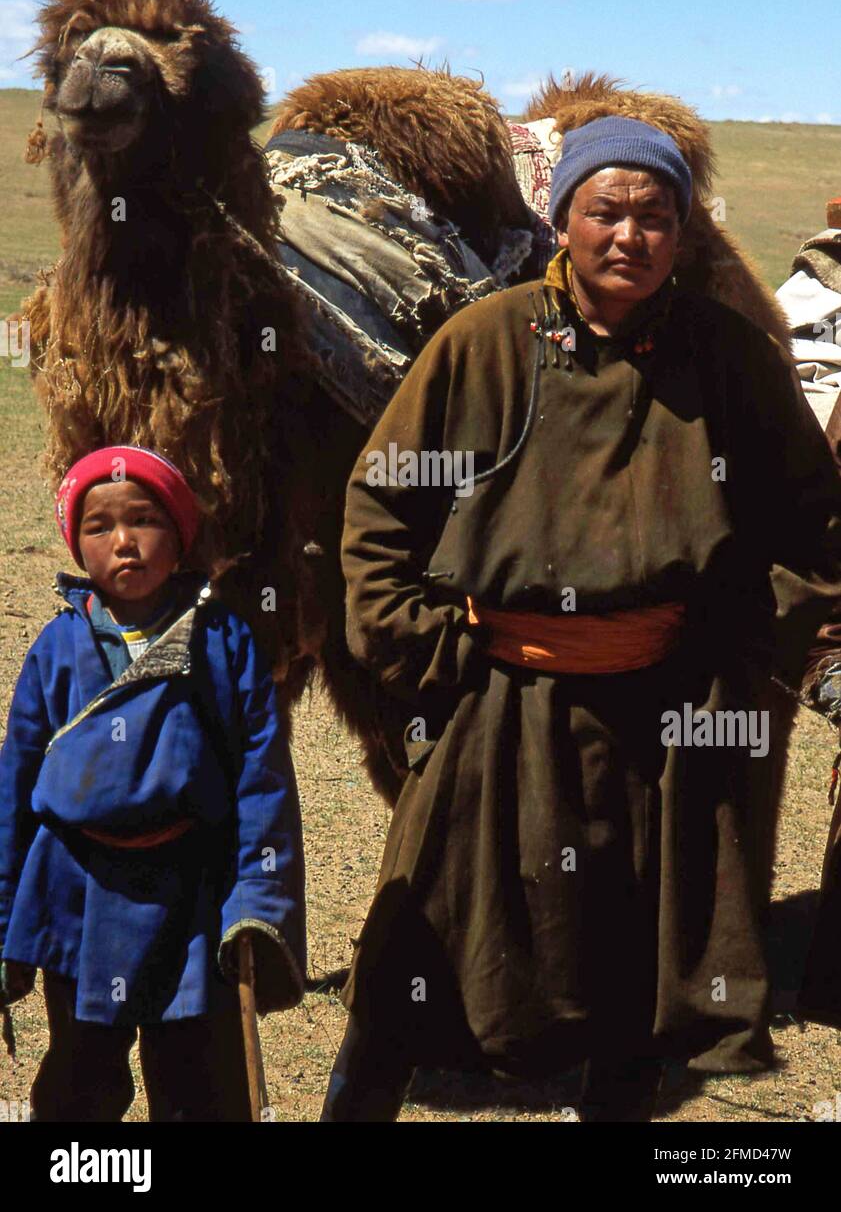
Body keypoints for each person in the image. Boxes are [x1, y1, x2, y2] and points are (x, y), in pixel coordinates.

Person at [321, 116, 841, 1122]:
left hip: (661, 718)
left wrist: (765, 649)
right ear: (563, 218)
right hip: (497, 703)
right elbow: (382, 505)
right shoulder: (484, 341)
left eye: (654, 215)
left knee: (637, 981)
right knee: (414, 959)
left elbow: (810, 523)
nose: (628, 236)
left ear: (681, 232)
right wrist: (427, 653)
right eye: (605, 210)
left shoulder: (725, 356)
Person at [0, 445, 306, 1121]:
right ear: (76, 544)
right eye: (99, 527)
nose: (125, 542)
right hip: (77, 888)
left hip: (190, 894)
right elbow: (15, 786)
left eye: (145, 520)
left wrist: (256, 899)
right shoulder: (57, 646)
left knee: (199, 1079)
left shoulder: (221, 641)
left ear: (182, 535)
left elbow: (261, 782)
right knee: (80, 1076)